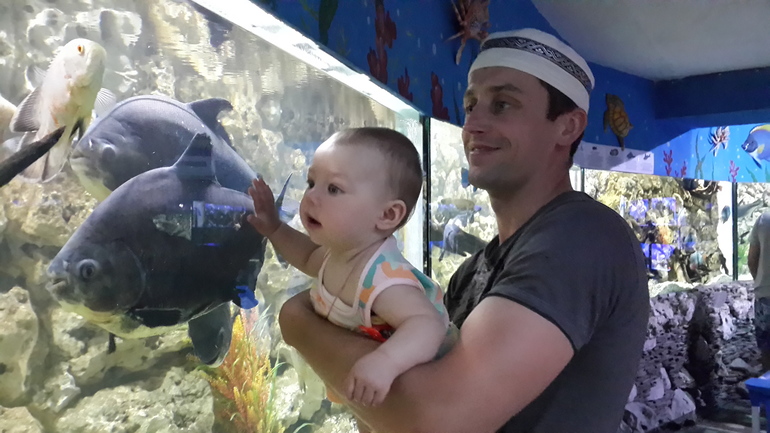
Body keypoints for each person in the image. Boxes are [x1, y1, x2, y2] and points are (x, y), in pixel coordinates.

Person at [277, 27, 650, 433]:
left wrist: (297, 321)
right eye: (471, 105)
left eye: (502, 105)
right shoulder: (470, 275)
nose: (473, 124)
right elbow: (392, 409)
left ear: (567, 126)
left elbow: (440, 419)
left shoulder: (583, 237)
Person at [247, 127, 458, 432]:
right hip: (375, 383)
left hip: (429, 387)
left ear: (387, 215)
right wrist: (275, 229)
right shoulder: (338, 255)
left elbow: (428, 325)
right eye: (311, 183)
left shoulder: (383, 279)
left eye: (334, 189)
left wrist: (386, 361)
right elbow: (307, 257)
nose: (311, 197)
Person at [748, 210, 770, 370]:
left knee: (767, 350)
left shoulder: (764, 219)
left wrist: (761, 281)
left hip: (765, 296)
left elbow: (752, 260)